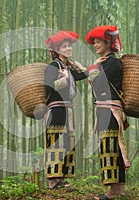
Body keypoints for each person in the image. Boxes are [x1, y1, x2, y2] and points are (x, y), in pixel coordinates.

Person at [84, 25, 130, 200]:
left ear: (108, 43)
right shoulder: (109, 62)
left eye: (98, 42)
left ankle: (111, 191)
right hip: (107, 109)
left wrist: (93, 67)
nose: (95, 45)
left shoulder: (112, 63)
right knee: (112, 146)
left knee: (109, 147)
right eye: (94, 42)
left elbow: (97, 84)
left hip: (109, 110)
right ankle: (119, 188)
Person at [44, 31, 87, 189]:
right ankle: (52, 181)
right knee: (56, 143)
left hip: (67, 109)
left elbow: (85, 75)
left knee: (66, 142)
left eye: (70, 46)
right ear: (57, 50)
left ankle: (61, 179)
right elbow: (48, 86)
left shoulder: (66, 67)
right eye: (65, 46)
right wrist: (65, 79)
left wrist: (77, 67)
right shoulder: (54, 66)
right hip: (56, 110)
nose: (69, 48)